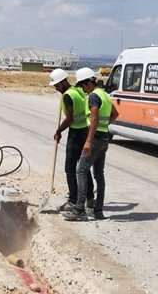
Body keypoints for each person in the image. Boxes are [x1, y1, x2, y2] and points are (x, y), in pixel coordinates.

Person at [64, 67, 119, 221]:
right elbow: (115, 114)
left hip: (95, 140)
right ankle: (98, 211)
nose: (82, 88)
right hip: (104, 139)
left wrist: (88, 141)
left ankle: (79, 209)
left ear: (88, 82)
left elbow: (94, 119)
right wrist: (103, 126)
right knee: (99, 175)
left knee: (80, 170)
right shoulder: (105, 95)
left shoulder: (94, 96)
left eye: (82, 85)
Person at [50, 67, 95, 215]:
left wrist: (58, 131)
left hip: (76, 134)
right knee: (84, 166)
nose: (56, 88)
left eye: (57, 85)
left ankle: (73, 200)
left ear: (63, 82)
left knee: (70, 168)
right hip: (85, 130)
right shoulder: (78, 91)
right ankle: (89, 198)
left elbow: (70, 119)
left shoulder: (68, 96)